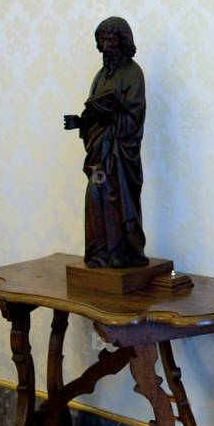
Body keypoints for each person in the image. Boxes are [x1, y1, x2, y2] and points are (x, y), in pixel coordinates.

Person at [64, 17, 148, 268]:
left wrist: (112, 114)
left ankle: (123, 253)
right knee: (95, 197)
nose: (107, 46)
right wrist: (80, 122)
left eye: (112, 40)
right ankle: (99, 254)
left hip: (120, 158)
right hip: (98, 155)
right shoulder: (100, 76)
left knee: (116, 200)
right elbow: (93, 111)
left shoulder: (133, 73)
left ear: (123, 42)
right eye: (102, 40)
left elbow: (134, 120)